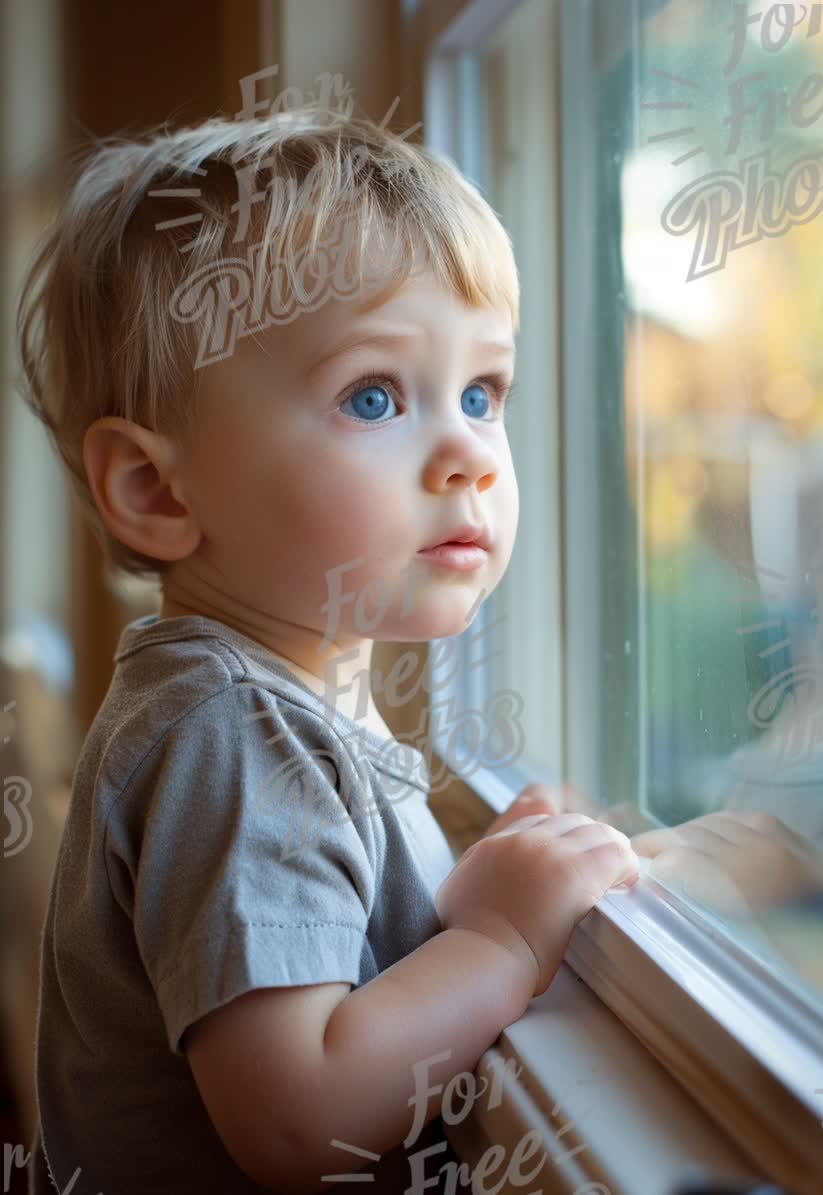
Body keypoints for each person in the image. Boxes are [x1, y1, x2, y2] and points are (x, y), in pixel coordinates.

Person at [16, 104, 641, 1194]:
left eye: (483, 393)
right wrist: (498, 939)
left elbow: (347, 959)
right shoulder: (233, 729)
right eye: (373, 395)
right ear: (157, 489)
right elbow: (301, 1118)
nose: (469, 456)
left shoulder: (287, 691)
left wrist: (467, 887)